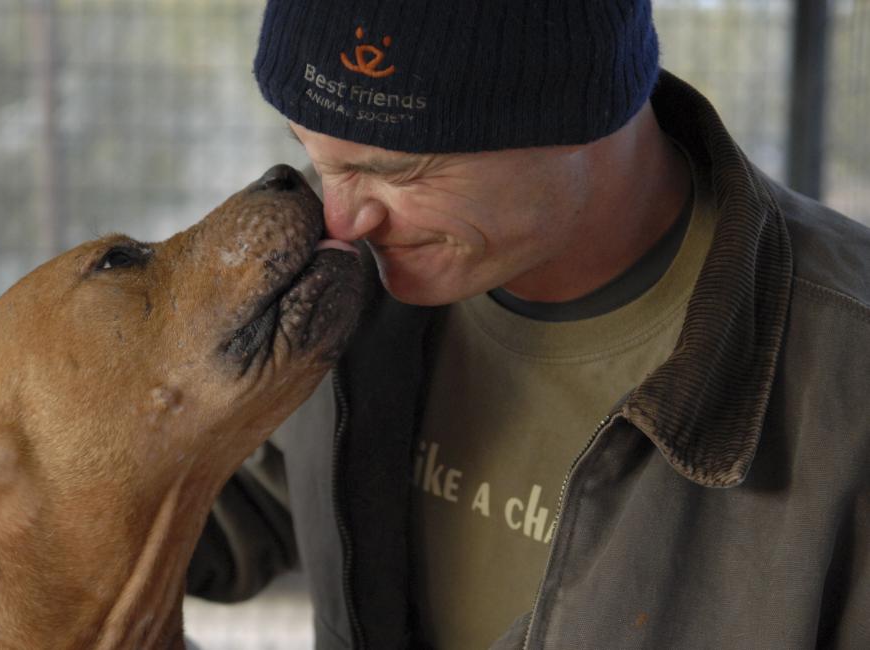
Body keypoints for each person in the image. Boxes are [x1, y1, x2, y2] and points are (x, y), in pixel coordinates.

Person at [187, 1, 870, 648]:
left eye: (397, 169)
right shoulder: (334, 273)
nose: (339, 221)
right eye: (316, 154)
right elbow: (203, 510)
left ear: (585, 116)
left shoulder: (845, 386)